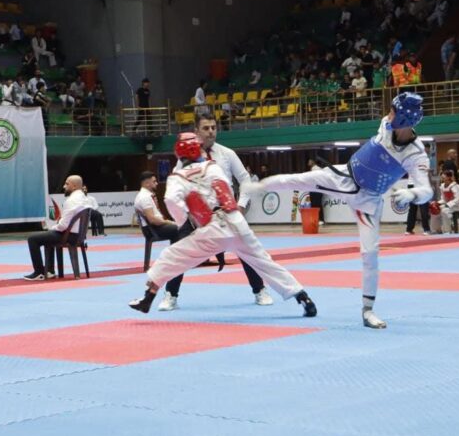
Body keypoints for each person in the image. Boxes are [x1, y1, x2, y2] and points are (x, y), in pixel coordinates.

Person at [244, 93, 432, 329]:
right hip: (344, 176)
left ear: (404, 118)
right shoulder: (386, 123)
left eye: (394, 111)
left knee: (370, 254)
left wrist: (412, 194)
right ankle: (258, 187)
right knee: (299, 179)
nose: (389, 114)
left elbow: (427, 190)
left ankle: (368, 310)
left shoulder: (416, 154)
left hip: (368, 200)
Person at [128, 133, 317, 318]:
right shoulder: (213, 167)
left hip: (211, 229)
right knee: (265, 262)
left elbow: (171, 200)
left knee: (172, 256)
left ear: (179, 153)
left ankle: (148, 297)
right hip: (236, 221)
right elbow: (225, 187)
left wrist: (184, 221)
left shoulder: (177, 177)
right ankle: (303, 297)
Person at [169, 112, 274, 306]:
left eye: (213, 128)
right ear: (196, 131)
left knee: (247, 250)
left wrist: (241, 205)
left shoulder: (227, 154)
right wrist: (185, 214)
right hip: (196, 215)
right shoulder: (184, 158)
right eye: (206, 128)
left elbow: (244, 179)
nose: (211, 132)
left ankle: (260, 290)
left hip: (226, 212)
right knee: (179, 251)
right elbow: (177, 184)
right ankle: (171, 295)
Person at [134, 171, 189, 311]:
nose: (156, 184)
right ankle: (180, 254)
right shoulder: (144, 197)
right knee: (181, 229)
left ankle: (181, 252)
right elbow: (153, 220)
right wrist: (170, 222)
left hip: (158, 226)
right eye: (154, 181)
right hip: (154, 229)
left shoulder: (147, 196)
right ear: (146, 183)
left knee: (182, 230)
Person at [23, 175, 88, 280]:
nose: (64, 186)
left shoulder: (71, 201)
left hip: (69, 236)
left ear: (74, 186)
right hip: (79, 236)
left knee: (32, 239)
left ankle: (39, 272)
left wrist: (53, 228)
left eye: (67, 184)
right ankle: (49, 271)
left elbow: (63, 226)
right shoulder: (85, 199)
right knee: (48, 236)